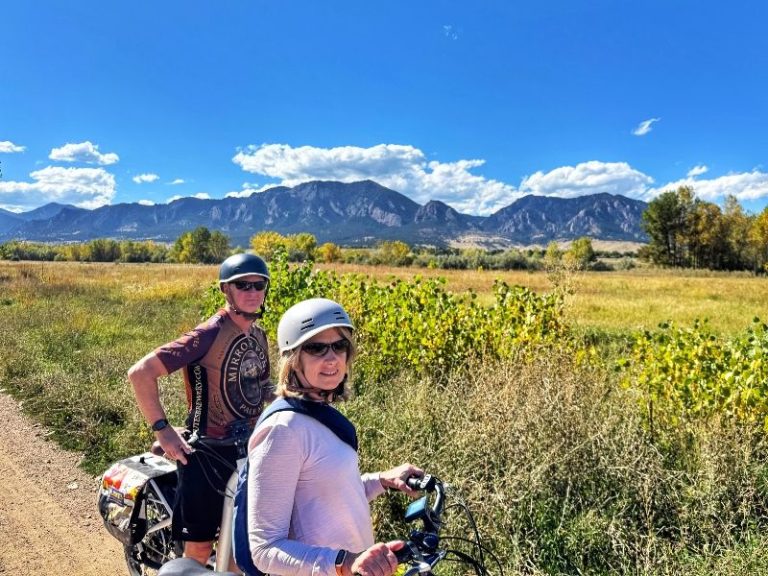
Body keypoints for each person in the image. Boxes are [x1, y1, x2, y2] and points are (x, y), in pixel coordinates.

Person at [246, 297, 424, 576]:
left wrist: (382, 480)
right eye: (316, 347)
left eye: (339, 346)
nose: (331, 358)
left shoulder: (317, 413)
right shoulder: (283, 430)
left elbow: (330, 495)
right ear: (293, 359)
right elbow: (264, 549)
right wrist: (344, 562)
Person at [128, 253, 274, 568]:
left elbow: (262, 389)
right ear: (226, 289)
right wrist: (163, 430)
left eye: (258, 284)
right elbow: (140, 373)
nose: (252, 291)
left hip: (246, 452)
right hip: (207, 454)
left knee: (239, 546)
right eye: (242, 284)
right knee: (198, 551)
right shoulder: (208, 334)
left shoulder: (259, 337)